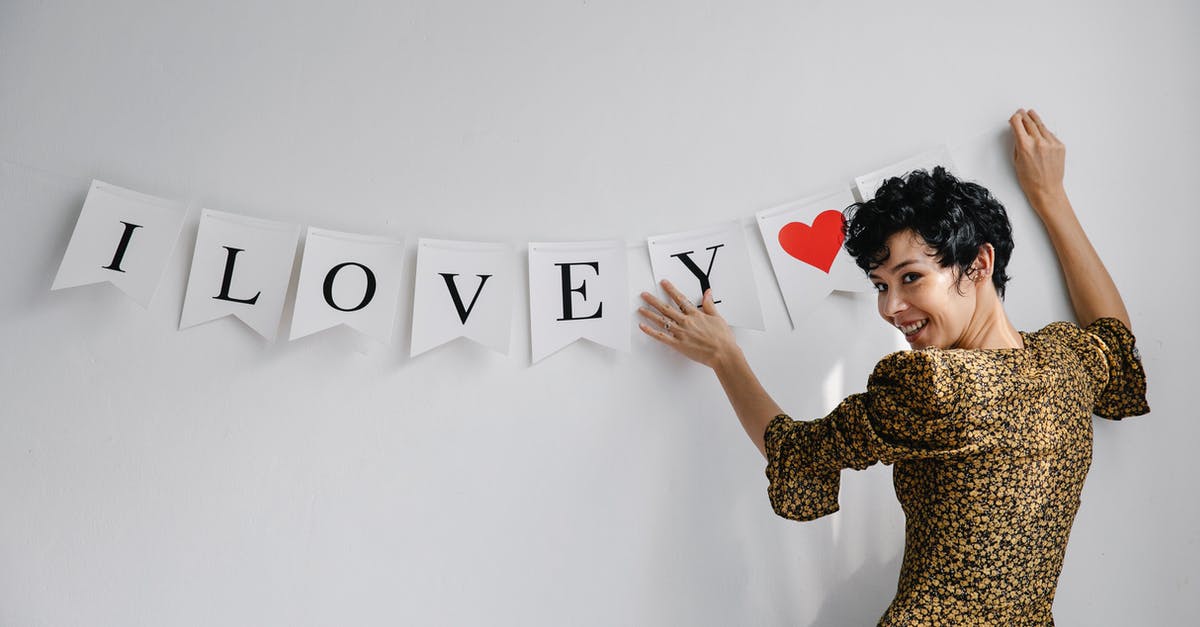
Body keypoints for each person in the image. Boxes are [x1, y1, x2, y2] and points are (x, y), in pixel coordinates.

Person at [637, 109, 1149, 625]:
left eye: (910, 278)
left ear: (979, 265)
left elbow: (797, 451)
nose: (889, 308)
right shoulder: (1066, 364)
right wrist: (1052, 198)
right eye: (882, 285)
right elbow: (1113, 333)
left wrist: (724, 356)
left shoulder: (934, 387)